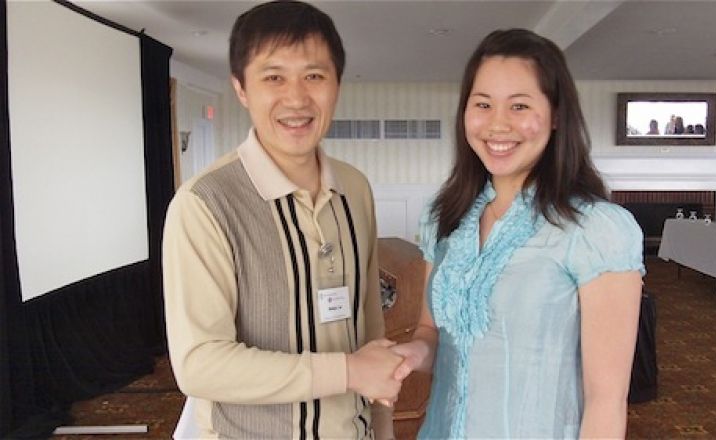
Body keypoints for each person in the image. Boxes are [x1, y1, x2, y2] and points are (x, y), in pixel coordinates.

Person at [390, 29, 645, 439]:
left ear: (557, 114)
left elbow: (607, 400)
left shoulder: (596, 230)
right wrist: (409, 353)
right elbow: (431, 332)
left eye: (520, 105)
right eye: (483, 104)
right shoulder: (446, 217)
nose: (498, 124)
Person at [162, 1, 399, 438]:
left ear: (336, 84)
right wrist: (347, 372)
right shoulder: (205, 203)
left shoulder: (354, 188)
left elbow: (369, 324)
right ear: (241, 89)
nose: (296, 98)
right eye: (273, 77)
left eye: (314, 76)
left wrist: (381, 427)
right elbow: (200, 365)